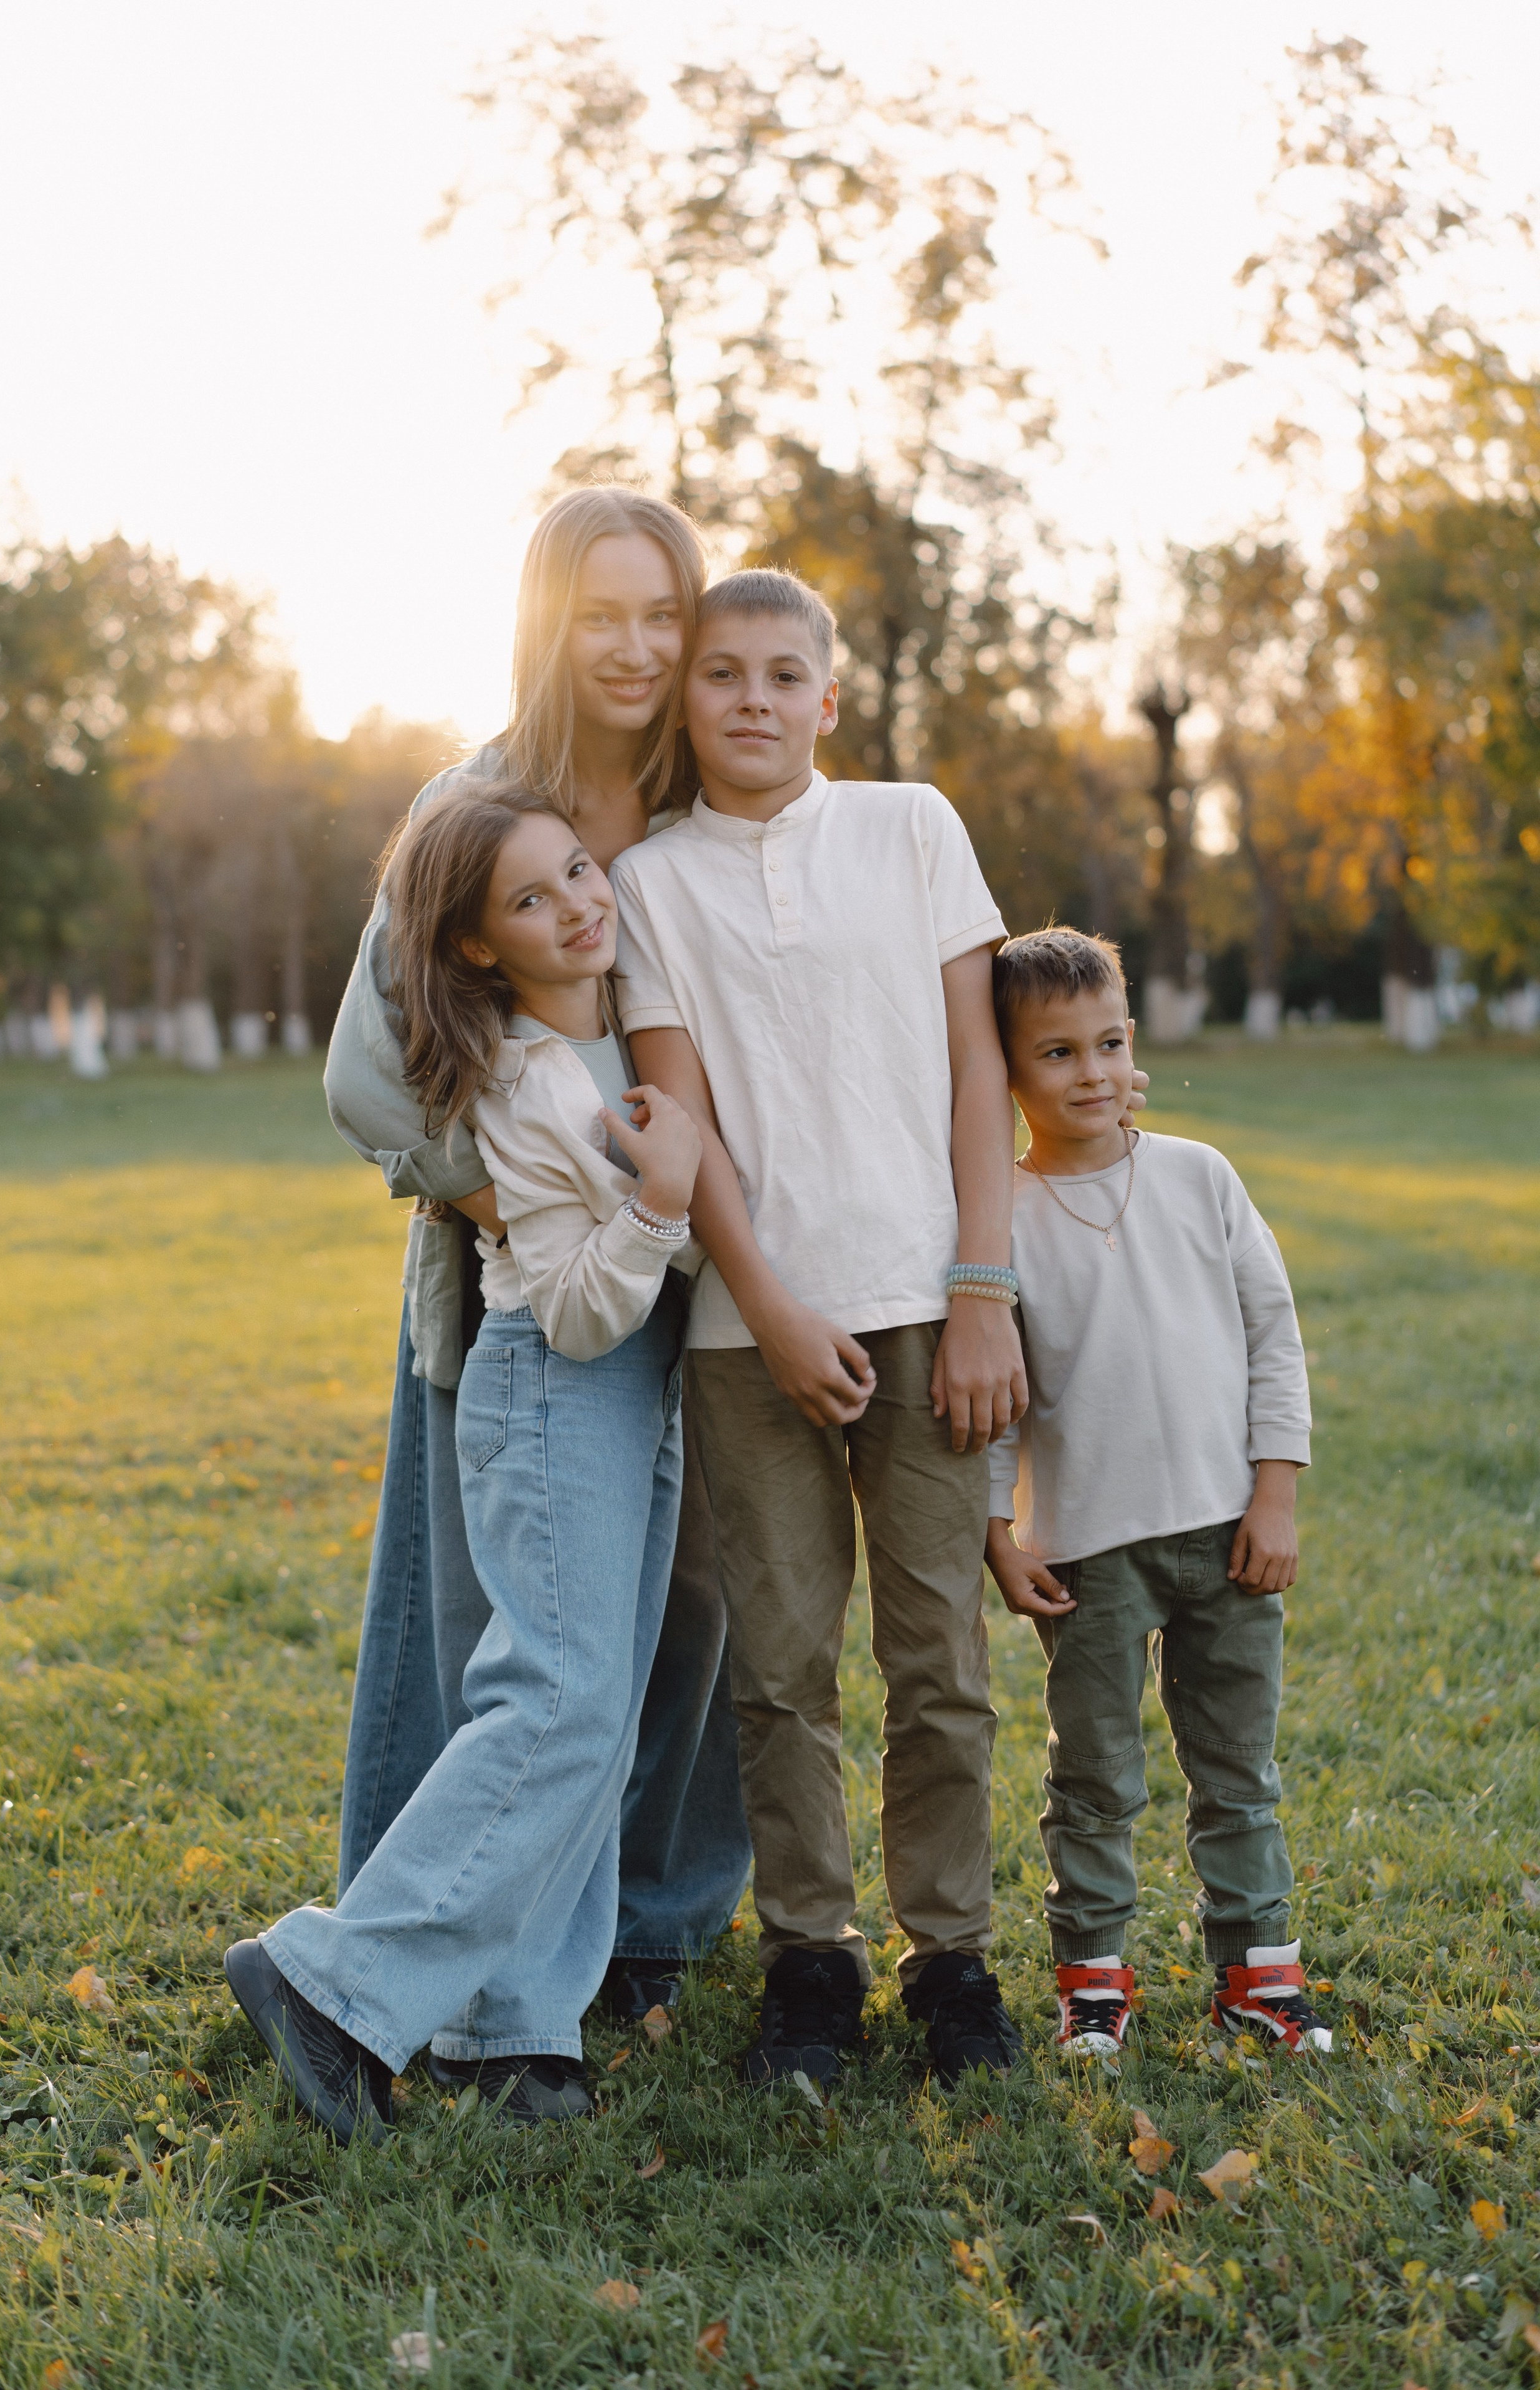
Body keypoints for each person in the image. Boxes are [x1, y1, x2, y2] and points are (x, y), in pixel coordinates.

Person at [324, 488, 750, 2024]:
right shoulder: (478, 802)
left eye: (662, 613)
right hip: (526, 1282)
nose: (636, 648)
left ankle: (654, 1921)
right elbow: (367, 1080)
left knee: (690, 1605)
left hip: (698, 1278)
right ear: (544, 623)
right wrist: (507, 1194)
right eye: (600, 614)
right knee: (508, 1619)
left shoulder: (716, 793)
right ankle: (459, 1947)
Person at [227, 786, 706, 2140]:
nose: (577, 904)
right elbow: (572, 1305)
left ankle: (508, 2022)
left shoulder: (601, 1040)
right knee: (553, 1700)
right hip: (555, 1386)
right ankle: (329, 1980)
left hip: (625, 1392)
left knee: (593, 1715)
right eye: (532, 901)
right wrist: (663, 1201)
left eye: (576, 872)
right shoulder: (538, 1084)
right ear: (481, 947)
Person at [612, 568, 1030, 2090]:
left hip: (929, 1307)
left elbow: (979, 1075)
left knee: (937, 1658)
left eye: (783, 676)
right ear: (689, 697)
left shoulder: (910, 826)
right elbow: (681, 1112)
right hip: (749, 1330)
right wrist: (771, 1308)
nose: (749, 700)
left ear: (829, 699)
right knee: (779, 1665)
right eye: (719, 674)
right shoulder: (650, 879)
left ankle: (951, 1960)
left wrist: (981, 1290)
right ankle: (810, 1958)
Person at [983, 926, 1330, 2057]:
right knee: (1094, 1776)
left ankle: (1258, 1980)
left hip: (1228, 1532)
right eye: (1058, 1053)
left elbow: (1273, 1336)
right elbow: (993, 1391)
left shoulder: (1198, 1176)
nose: (1092, 1072)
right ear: (1008, 1071)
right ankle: (1093, 1984)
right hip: (1087, 1552)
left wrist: (1273, 1494)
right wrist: (999, 1530)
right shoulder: (1003, 1217)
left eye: (1110, 1042)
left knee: (1238, 1767)